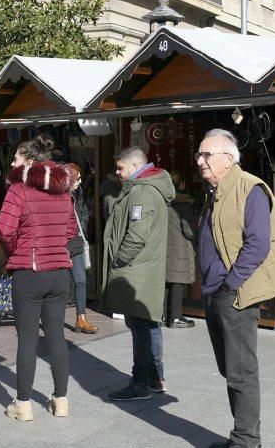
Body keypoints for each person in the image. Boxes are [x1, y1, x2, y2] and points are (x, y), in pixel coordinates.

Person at [195, 129, 275, 448]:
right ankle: (242, 435)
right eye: (199, 155)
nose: (200, 161)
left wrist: (231, 284)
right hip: (215, 293)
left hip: (234, 295)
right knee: (230, 368)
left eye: (206, 155)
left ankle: (246, 441)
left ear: (229, 158)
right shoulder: (215, 192)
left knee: (241, 371)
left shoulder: (249, 188)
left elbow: (258, 244)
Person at [0, 133, 77, 422]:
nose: (13, 163)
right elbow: (70, 231)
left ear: (29, 160)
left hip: (29, 271)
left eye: (17, 158)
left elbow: (4, 229)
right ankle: (61, 400)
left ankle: (24, 404)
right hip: (59, 272)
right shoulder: (63, 189)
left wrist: (16, 250)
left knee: (27, 340)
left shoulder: (19, 189)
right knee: (57, 338)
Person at [100, 146, 174, 401]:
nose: (117, 173)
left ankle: (141, 383)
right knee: (148, 324)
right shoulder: (142, 188)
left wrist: (119, 261)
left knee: (140, 326)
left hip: (137, 269)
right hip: (142, 268)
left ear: (134, 167)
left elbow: (136, 235)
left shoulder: (144, 192)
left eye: (120, 168)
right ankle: (155, 378)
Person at [66, 162, 97, 334]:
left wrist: (81, 228)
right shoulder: (56, 195)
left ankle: (81, 318)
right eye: (76, 179)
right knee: (60, 283)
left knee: (80, 280)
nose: (79, 182)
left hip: (76, 241)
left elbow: (84, 211)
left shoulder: (78, 193)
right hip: (60, 243)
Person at [164, 171, 197, 329]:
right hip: (180, 249)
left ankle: (163, 316)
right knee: (177, 283)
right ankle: (176, 317)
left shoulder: (164, 203)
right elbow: (188, 231)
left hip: (164, 247)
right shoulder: (185, 205)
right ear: (182, 185)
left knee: (166, 282)